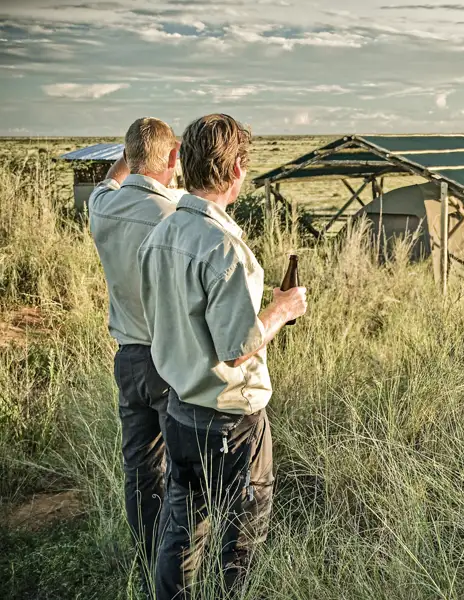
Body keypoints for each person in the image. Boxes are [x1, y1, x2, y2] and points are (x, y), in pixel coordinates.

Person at [138, 114, 307, 599]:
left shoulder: (160, 236)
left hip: (178, 410)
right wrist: (281, 309)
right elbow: (236, 350)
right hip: (231, 423)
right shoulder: (226, 249)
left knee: (181, 530)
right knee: (240, 540)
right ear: (236, 169)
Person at [87, 117, 181, 595]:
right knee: (183, 474)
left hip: (127, 357)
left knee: (139, 468)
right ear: (172, 157)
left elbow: (108, 181)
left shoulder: (101, 207)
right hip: (170, 359)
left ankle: (146, 564)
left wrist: (126, 159)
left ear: (126, 155)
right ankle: (175, 571)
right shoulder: (175, 214)